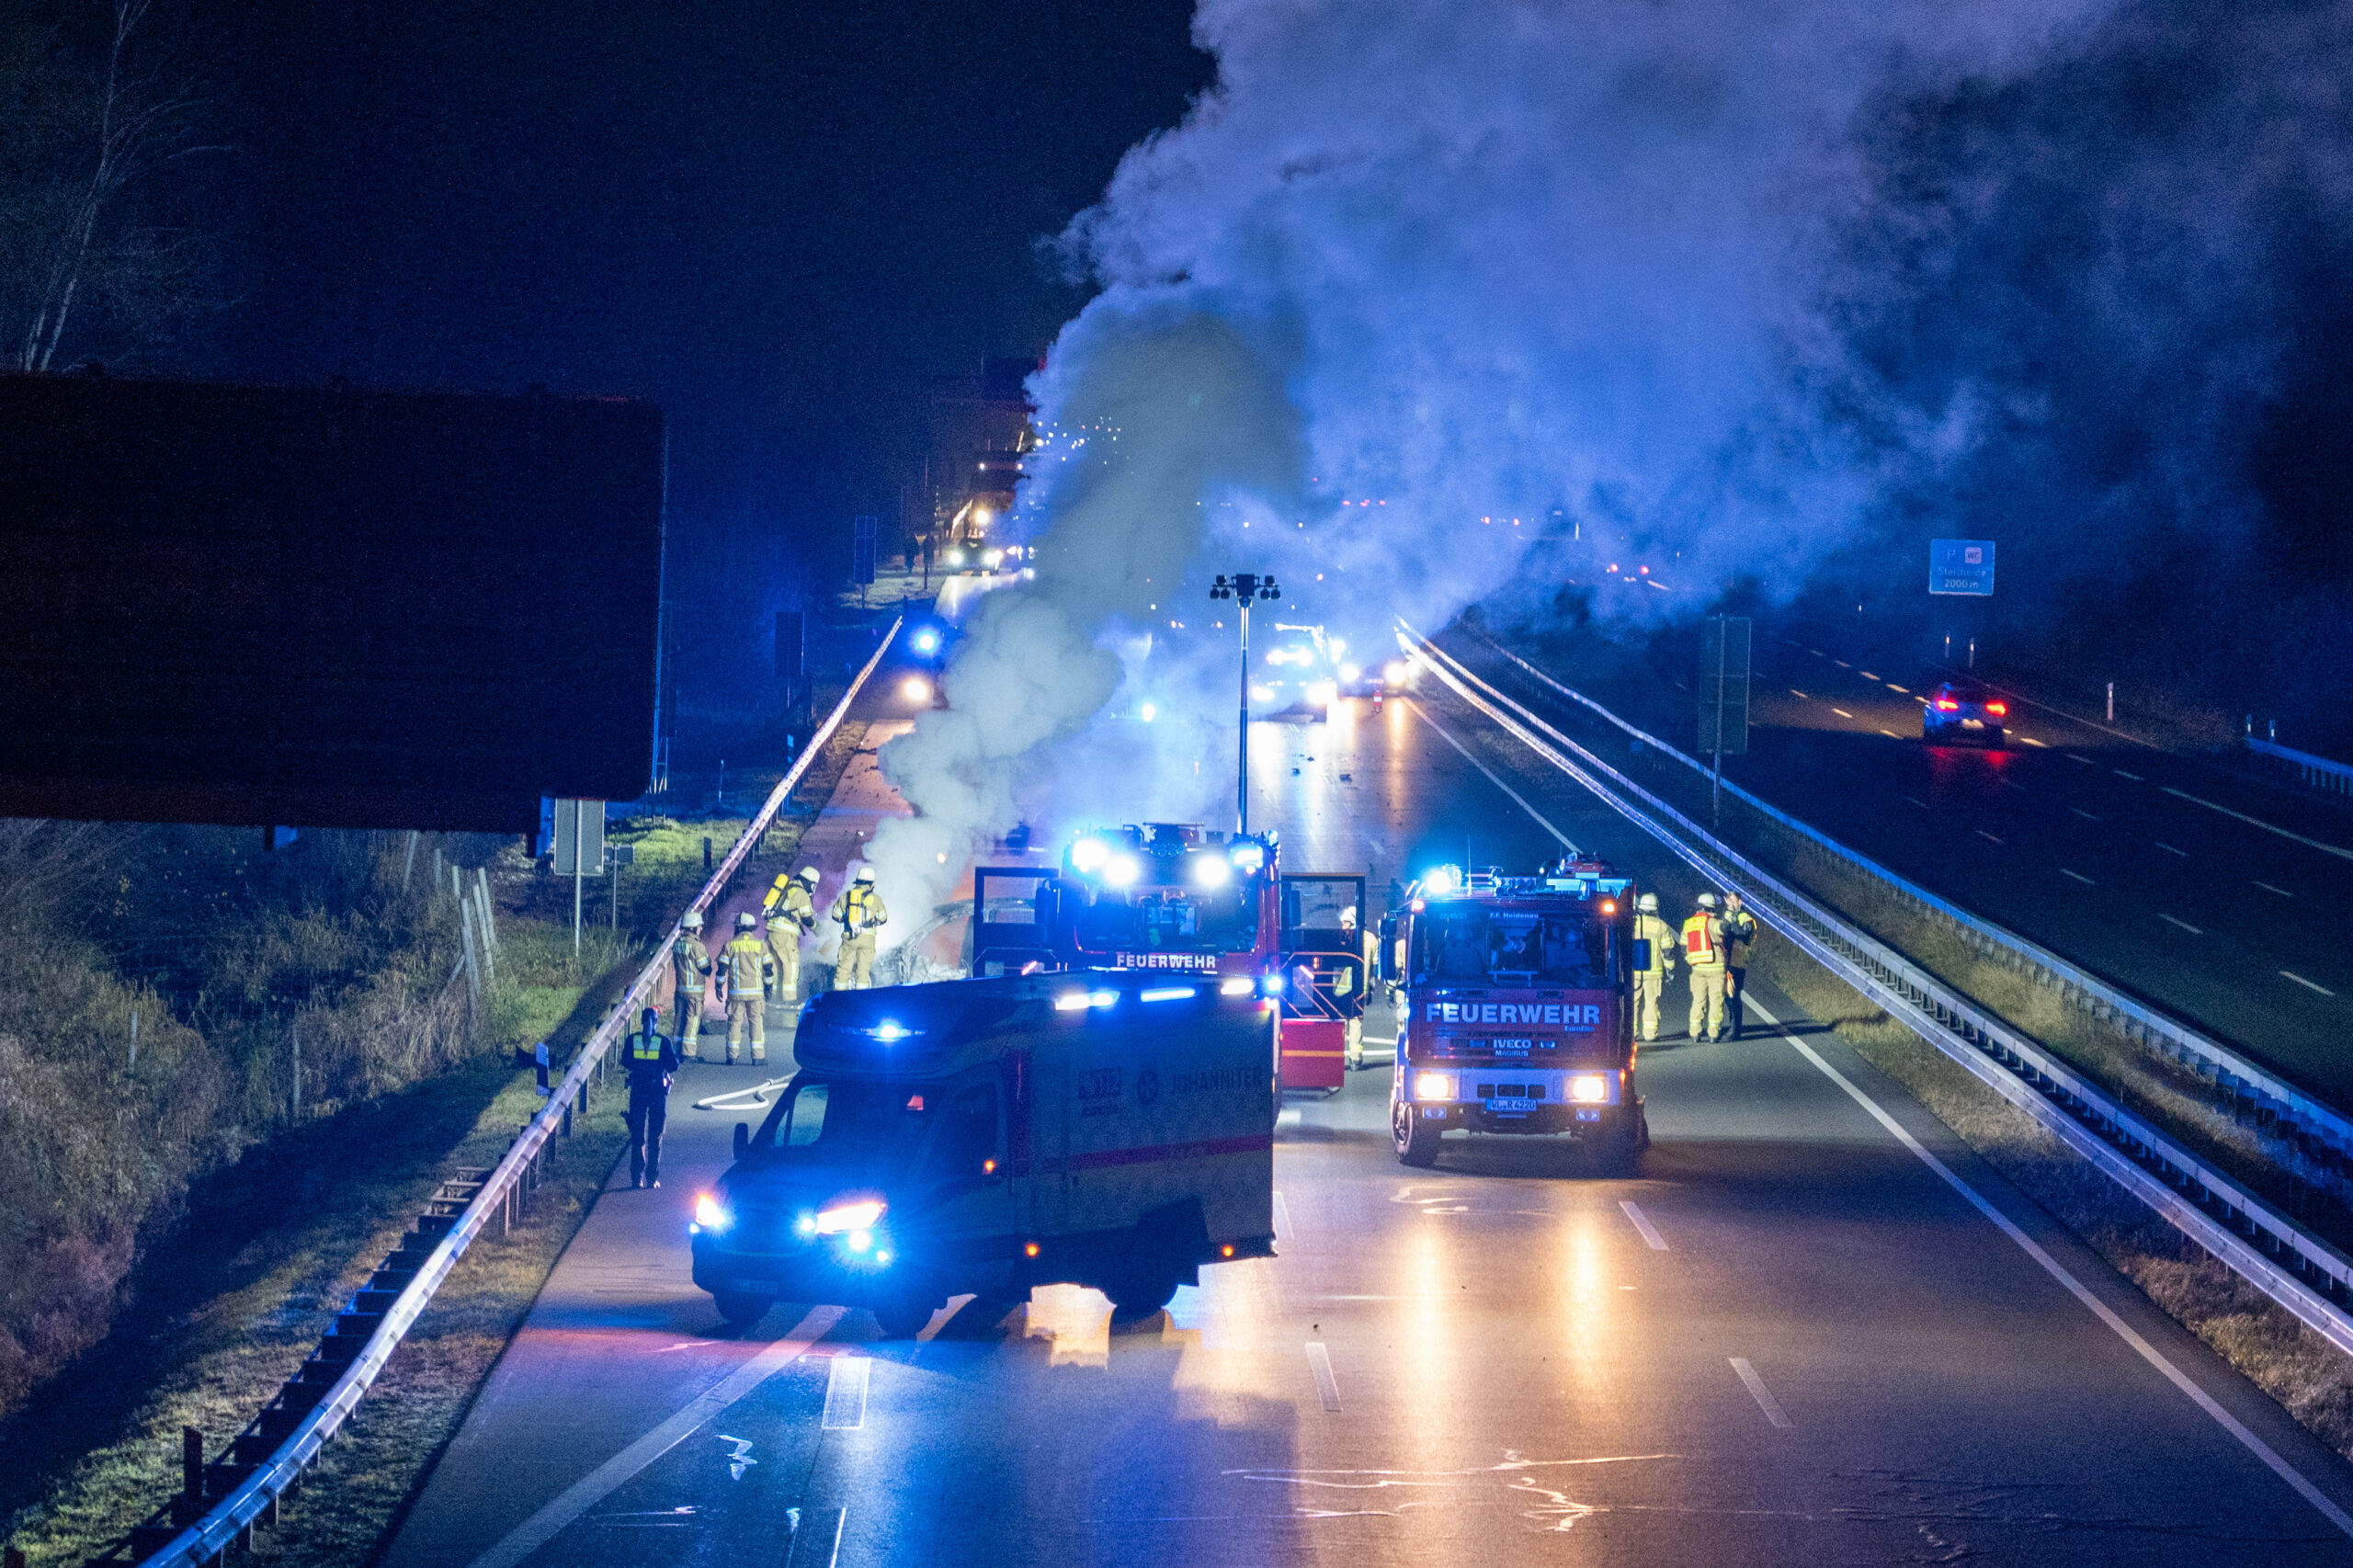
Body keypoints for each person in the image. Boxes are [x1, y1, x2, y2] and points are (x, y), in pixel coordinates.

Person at [621, 1006, 680, 1188]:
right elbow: (673, 1065)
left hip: (639, 1090)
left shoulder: (633, 1040)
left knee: (640, 1136)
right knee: (653, 1138)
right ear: (656, 1022)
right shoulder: (663, 1042)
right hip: (655, 1092)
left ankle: (637, 1178)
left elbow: (625, 1061)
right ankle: (651, 1179)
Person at [721, 911, 776, 1065]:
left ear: (738, 928)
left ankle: (732, 1057)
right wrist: (768, 988)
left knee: (734, 1023)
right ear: (752, 928)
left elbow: (722, 969)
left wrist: (719, 986)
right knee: (756, 1023)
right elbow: (769, 969)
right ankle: (758, 1057)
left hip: (736, 993)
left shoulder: (730, 945)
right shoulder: (761, 945)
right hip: (756, 993)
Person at [764, 867, 822, 1005]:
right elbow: (807, 918)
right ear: (810, 882)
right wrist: (819, 930)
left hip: (772, 933)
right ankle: (788, 1000)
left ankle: (773, 998)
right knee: (791, 965)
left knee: (776, 967)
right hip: (786, 935)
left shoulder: (786, 887)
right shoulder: (802, 894)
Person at [830, 866, 888, 990]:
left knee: (843, 970)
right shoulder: (876, 899)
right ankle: (861, 1002)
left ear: (857, 881)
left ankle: (840, 999)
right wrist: (873, 922)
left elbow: (835, 915)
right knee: (863, 972)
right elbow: (883, 919)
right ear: (872, 884)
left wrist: (847, 921)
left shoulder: (846, 896)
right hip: (868, 939)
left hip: (849, 937)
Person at [1681, 892, 1729, 1043]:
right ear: (1710, 908)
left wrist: (1691, 960)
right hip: (1715, 968)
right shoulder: (1713, 922)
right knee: (1715, 1000)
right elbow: (1724, 930)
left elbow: (1684, 945)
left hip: (1697, 968)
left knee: (1698, 1000)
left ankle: (1695, 1032)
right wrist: (1728, 915)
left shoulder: (1688, 923)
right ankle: (1713, 1033)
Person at [1631, 892, 1677, 1043]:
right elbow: (1667, 951)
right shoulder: (1661, 925)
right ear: (1656, 908)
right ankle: (1650, 1034)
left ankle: (1632, 1034)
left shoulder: (1632, 923)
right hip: (1653, 973)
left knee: (1632, 1003)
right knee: (1651, 1003)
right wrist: (1670, 970)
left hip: (1633, 971)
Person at [670, 911, 712, 1060]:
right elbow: (705, 967)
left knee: (679, 1019)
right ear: (693, 928)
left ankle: (675, 1050)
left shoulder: (677, 944)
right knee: (693, 1020)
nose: (701, 929)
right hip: (694, 991)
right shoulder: (696, 945)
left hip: (680, 989)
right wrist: (709, 961)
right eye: (699, 927)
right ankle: (688, 1053)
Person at [1721, 891, 1759, 1040]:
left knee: (1733, 996)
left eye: (1732, 900)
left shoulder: (1744, 918)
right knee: (1727, 996)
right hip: (1727, 962)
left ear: (1740, 902)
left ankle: (1735, 1031)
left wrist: (1732, 915)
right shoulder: (1728, 916)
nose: (1729, 902)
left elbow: (1742, 933)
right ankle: (1733, 1027)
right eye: (1727, 899)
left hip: (1736, 963)